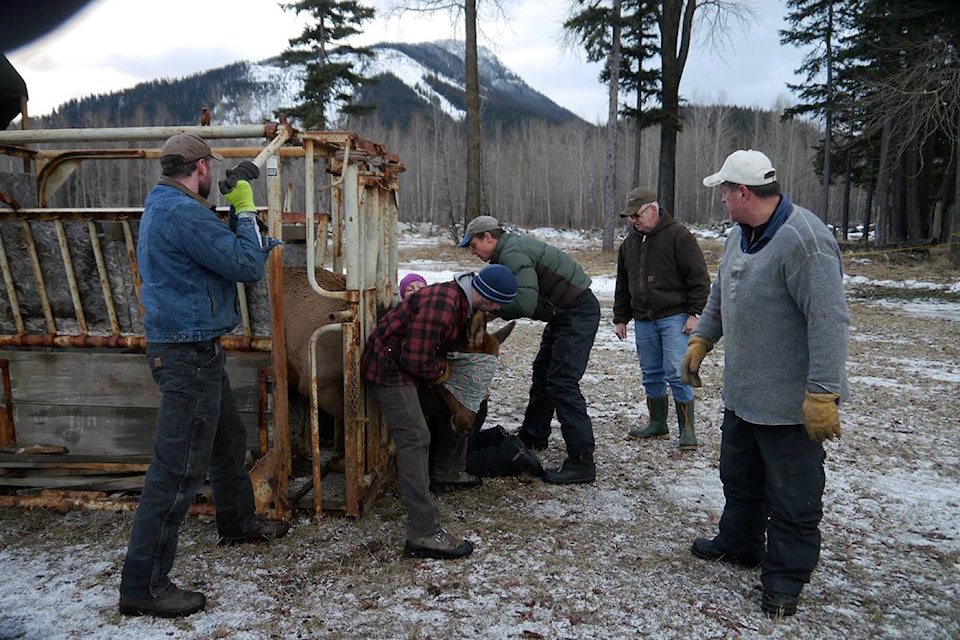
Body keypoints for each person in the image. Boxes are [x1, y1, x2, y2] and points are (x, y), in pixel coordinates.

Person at [119, 134, 288, 618]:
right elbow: (244, 265)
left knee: (225, 442)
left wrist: (236, 209)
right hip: (185, 352)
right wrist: (246, 209)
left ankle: (238, 523)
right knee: (176, 470)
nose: (215, 176)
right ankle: (143, 585)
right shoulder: (183, 213)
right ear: (199, 168)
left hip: (194, 346)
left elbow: (216, 251)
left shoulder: (170, 204)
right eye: (213, 168)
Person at [683, 149, 849, 618]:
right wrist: (702, 340)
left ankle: (785, 577)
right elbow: (720, 292)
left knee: (792, 492)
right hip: (744, 392)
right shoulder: (740, 235)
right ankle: (739, 542)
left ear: (742, 192)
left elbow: (829, 319)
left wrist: (822, 392)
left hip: (790, 402)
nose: (719, 199)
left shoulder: (805, 240)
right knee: (739, 475)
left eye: (723, 191)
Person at [362, 264, 518, 559]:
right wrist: (444, 372)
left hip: (408, 367)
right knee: (416, 437)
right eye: (498, 304)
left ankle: (447, 471)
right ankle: (422, 531)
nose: (497, 310)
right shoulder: (444, 304)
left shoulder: (461, 303)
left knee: (456, 405)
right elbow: (415, 359)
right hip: (389, 370)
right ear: (490, 297)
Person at [459, 216, 600, 484]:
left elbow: (524, 302)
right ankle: (534, 435)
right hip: (563, 313)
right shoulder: (507, 252)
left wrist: (490, 309)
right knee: (543, 374)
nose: (472, 250)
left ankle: (582, 462)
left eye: (474, 243)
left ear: (489, 237)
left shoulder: (512, 253)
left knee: (562, 382)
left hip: (576, 311)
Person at [613, 187, 710, 449]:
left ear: (652, 210)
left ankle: (687, 431)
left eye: (637, 215)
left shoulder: (679, 236)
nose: (633, 220)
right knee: (651, 373)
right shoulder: (629, 243)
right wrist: (620, 318)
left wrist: (695, 313)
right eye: (630, 217)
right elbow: (623, 284)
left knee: (677, 373)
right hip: (643, 320)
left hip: (675, 318)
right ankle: (658, 424)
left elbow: (699, 278)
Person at [398, 273, 483, 494]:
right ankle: (446, 471)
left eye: (420, 286)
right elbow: (415, 360)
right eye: (409, 288)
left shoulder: (437, 315)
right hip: (408, 382)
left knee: (463, 403)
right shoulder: (405, 317)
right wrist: (440, 370)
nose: (416, 290)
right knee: (449, 407)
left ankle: (446, 469)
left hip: (425, 379)